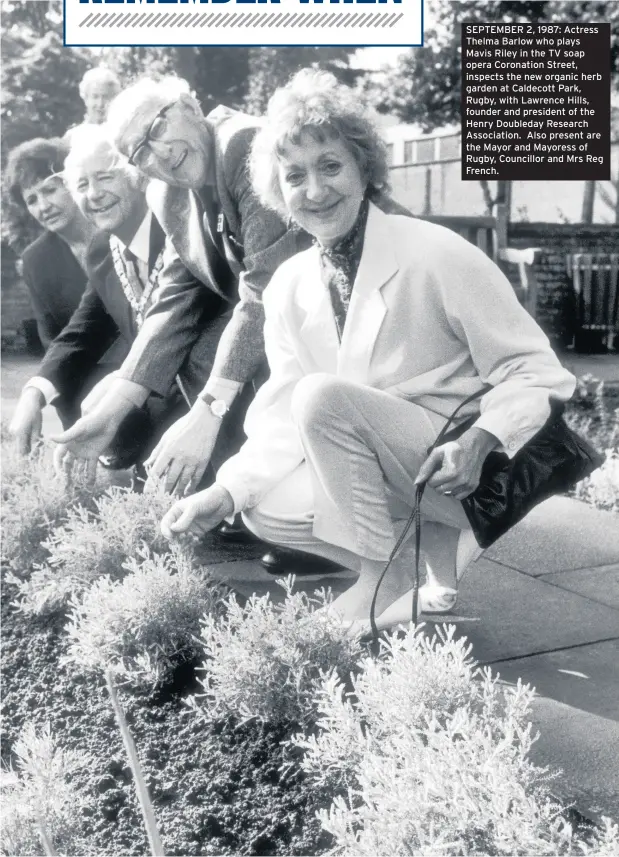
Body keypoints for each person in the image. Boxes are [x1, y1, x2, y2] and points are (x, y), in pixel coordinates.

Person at [160, 69, 577, 632]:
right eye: (294, 176)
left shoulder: (435, 254)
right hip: (398, 463)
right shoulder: (288, 285)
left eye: (331, 166)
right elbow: (283, 415)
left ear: (363, 168)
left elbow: (538, 372)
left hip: (475, 470)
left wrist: (480, 440)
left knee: (322, 398)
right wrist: (223, 493)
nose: (315, 190)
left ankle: (383, 580)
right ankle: (413, 557)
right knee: (265, 503)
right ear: (276, 195)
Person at [51, 76, 312, 503]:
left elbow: (266, 288)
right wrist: (117, 403)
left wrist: (208, 411)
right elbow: (177, 296)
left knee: (221, 349)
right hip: (282, 310)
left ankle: (291, 506)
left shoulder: (242, 145)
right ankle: (236, 503)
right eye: (140, 152)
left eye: (156, 129)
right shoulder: (166, 194)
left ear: (190, 104)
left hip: (336, 304)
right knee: (199, 347)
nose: (160, 153)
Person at [11, 128, 228, 477]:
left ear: (136, 177)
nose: (93, 195)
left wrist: (120, 388)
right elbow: (81, 332)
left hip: (219, 406)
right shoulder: (104, 249)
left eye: (104, 178)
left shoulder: (181, 228)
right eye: (81, 185)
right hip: (154, 421)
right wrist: (33, 393)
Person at [6, 138, 97, 350]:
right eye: (32, 200)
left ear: (72, 184)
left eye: (49, 190)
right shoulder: (35, 261)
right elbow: (53, 340)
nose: (44, 206)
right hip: (88, 371)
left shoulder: (114, 230)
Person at [64, 67, 121, 142]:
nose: (100, 104)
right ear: (85, 99)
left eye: (106, 97)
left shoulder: (119, 136)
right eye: (95, 96)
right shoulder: (73, 137)